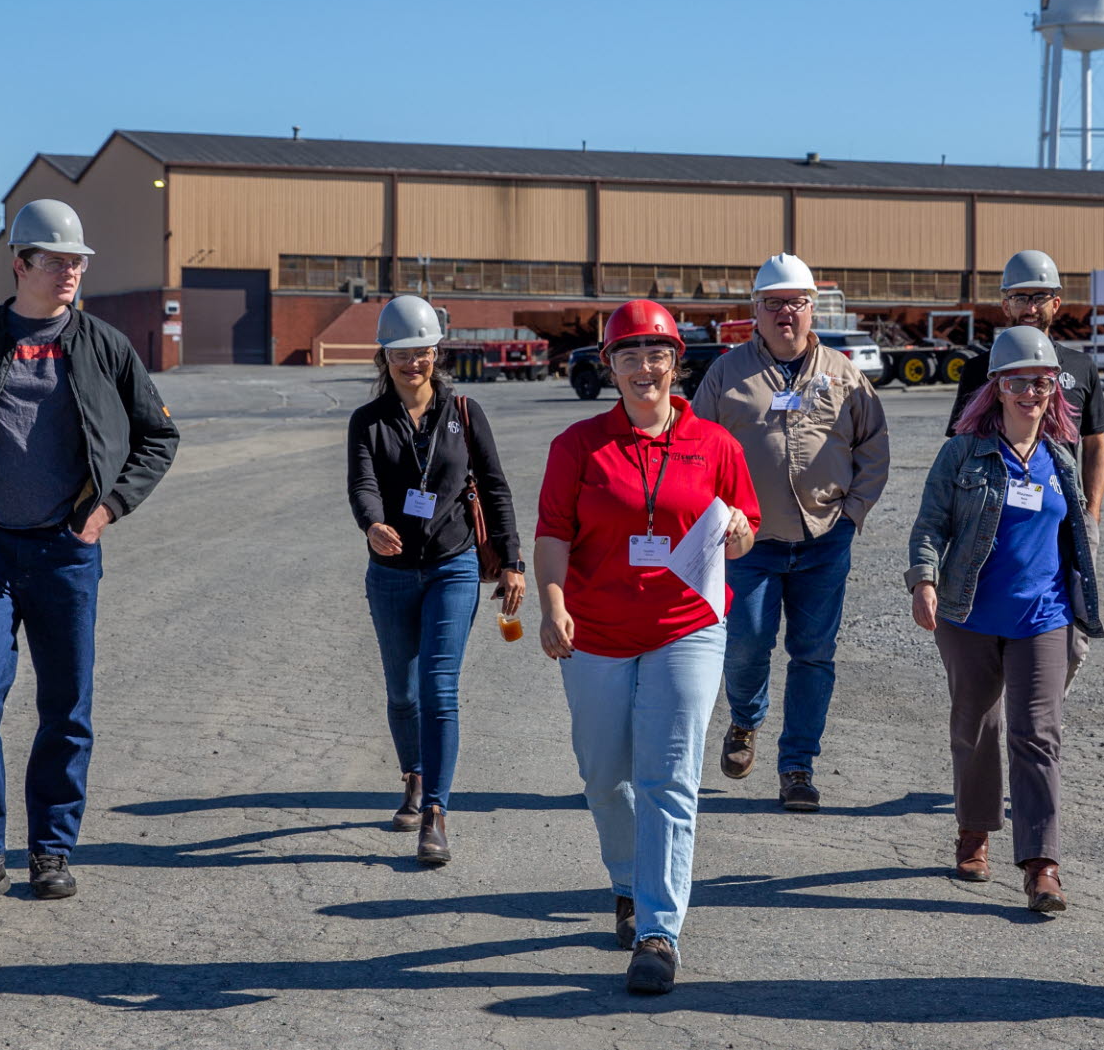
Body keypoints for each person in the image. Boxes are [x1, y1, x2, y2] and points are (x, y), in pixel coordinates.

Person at [0, 198, 179, 913]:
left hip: (66, 551)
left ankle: (51, 847)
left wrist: (108, 506)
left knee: (66, 705)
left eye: (78, 261)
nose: (70, 271)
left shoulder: (104, 346)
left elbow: (158, 437)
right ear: (19, 263)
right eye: (56, 260)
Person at [535, 299, 759, 995]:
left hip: (687, 626)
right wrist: (552, 604)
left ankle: (661, 930)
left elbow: (744, 513)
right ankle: (628, 882)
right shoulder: (579, 445)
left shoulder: (715, 442)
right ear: (610, 366)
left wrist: (743, 534)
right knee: (606, 776)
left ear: (675, 361)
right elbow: (551, 534)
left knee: (670, 778)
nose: (644, 367)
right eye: (627, 354)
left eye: (655, 352)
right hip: (596, 630)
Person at [908, 326, 1100, 912]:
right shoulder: (962, 452)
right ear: (996, 387)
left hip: (1044, 616)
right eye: (1017, 381)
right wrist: (924, 580)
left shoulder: (1061, 459)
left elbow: (1077, 539)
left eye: (1041, 382)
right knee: (976, 726)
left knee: (1037, 734)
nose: (1030, 392)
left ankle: (1041, 864)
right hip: (967, 616)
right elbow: (929, 525)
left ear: (1053, 389)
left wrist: (1085, 606)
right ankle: (974, 832)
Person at [692, 252, 890, 812]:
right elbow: (695, 451)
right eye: (773, 304)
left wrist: (852, 514)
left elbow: (873, 446)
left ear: (812, 310)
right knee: (748, 643)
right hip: (748, 545)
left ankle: (797, 766)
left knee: (813, 654)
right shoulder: (727, 374)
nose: (786, 314)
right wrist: (716, 516)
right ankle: (745, 719)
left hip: (824, 539)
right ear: (755, 310)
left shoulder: (843, 373)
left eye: (796, 304)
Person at [347, 295, 523, 866]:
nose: (411, 363)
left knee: (439, 687)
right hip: (392, 573)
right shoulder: (368, 422)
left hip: (454, 565)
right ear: (385, 355)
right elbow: (363, 484)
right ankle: (414, 776)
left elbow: (494, 489)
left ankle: (436, 813)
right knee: (403, 690)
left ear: (436, 351)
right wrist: (372, 523)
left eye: (421, 352)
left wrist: (514, 560)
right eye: (400, 353)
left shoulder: (465, 413)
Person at [947, 250, 1104, 526]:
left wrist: (1092, 514)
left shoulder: (1080, 366)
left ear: (1056, 304)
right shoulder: (979, 371)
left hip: (1063, 516)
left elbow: (1095, 445)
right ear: (1005, 306)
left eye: (1039, 298)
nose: (1030, 308)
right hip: (992, 515)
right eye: (1020, 298)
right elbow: (958, 447)